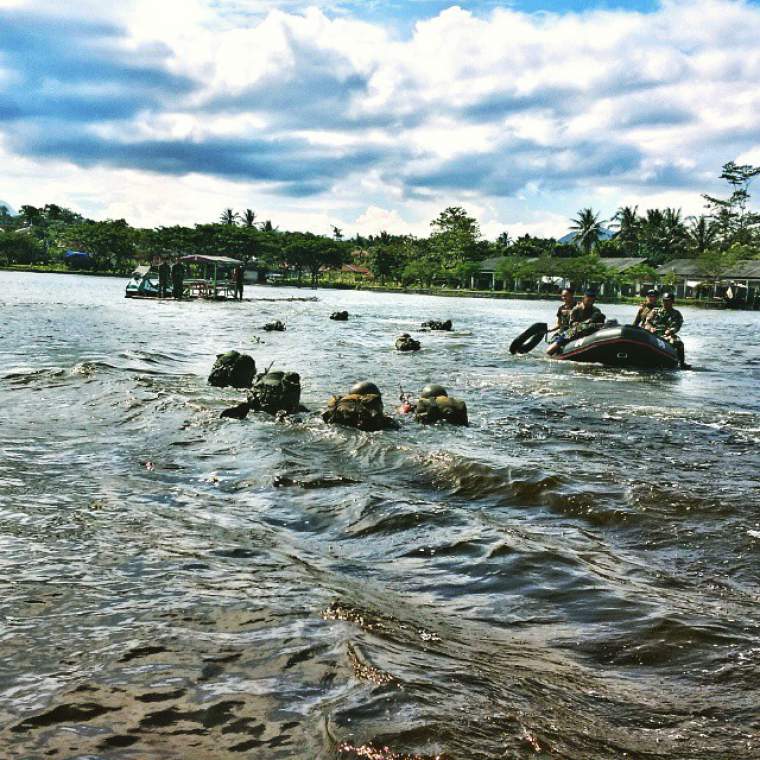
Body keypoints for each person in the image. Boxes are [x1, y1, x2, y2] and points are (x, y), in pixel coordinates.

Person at [644, 291, 690, 368]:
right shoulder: (655, 311)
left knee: (679, 343)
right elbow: (647, 322)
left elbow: (677, 325)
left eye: (668, 301)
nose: (665, 303)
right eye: (664, 300)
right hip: (653, 334)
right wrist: (650, 328)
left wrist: (670, 331)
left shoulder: (676, 313)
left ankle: (682, 364)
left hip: (667, 335)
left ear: (672, 301)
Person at [546, 288, 577, 356]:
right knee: (552, 343)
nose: (563, 298)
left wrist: (570, 312)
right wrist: (549, 330)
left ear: (572, 295)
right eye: (562, 296)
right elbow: (559, 325)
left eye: (566, 296)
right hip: (563, 332)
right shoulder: (561, 308)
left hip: (574, 330)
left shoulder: (579, 306)